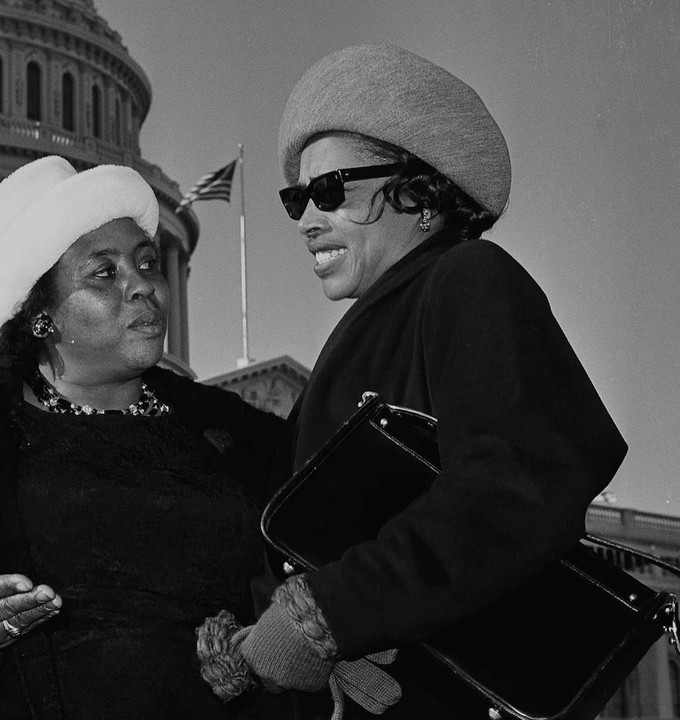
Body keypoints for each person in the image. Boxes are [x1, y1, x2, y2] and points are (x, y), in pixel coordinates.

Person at [197, 44, 627, 719]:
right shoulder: (371, 327)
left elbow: (521, 478)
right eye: (296, 199)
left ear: (417, 191)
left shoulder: (469, 279)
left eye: (331, 190)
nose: (308, 219)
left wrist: (328, 612)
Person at [0, 156, 298, 719]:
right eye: (105, 273)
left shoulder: (237, 439)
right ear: (43, 316)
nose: (142, 286)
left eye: (147, 263)